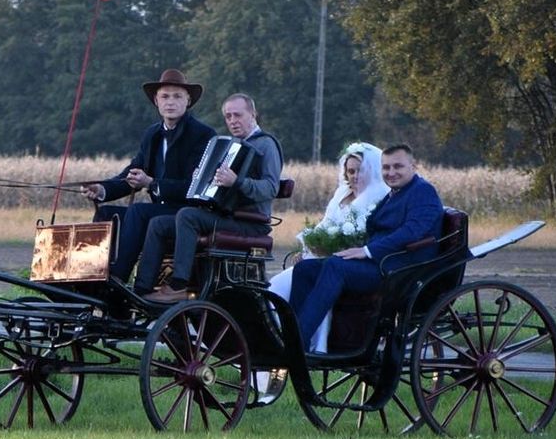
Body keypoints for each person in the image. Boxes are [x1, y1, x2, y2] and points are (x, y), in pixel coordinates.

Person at [288, 143, 443, 350]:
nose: (391, 172)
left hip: (399, 270)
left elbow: (411, 232)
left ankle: (297, 341)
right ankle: (295, 334)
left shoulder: (423, 192)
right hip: (378, 263)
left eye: (398, 167)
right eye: (386, 167)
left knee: (335, 266)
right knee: (305, 269)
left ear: (413, 167)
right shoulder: (394, 193)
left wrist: (367, 251)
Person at [136, 92, 283, 302]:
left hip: (250, 222)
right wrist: (200, 180)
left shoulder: (266, 144)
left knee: (187, 216)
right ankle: (142, 288)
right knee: (159, 223)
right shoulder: (229, 146)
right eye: (228, 116)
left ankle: (179, 284)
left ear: (253, 114)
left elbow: (270, 188)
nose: (233, 121)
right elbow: (216, 188)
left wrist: (237, 182)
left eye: (238, 115)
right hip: (225, 217)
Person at [82, 68, 215, 285]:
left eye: (177, 96)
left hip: (187, 211)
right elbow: (132, 173)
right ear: (156, 101)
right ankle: (94, 276)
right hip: (156, 210)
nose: (170, 102)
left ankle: (118, 279)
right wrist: (102, 189)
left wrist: (152, 183)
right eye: (165, 96)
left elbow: (195, 187)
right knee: (106, 213)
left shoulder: (203, 135)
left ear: (188, 100)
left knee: (138, 211)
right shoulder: (152, 134)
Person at [268, 142, 389, 352]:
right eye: (350, 171)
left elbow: (366, 238)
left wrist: (332, 250)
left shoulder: (378, 197)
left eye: (360, 170)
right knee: (277, 285)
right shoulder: (341, 194)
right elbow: (325, 226)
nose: (355, 176)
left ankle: (304, 341)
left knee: (315, 275)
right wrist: (307, 248)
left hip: (346, 260)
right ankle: (283, 335)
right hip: (321, 257)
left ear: (371, 171)